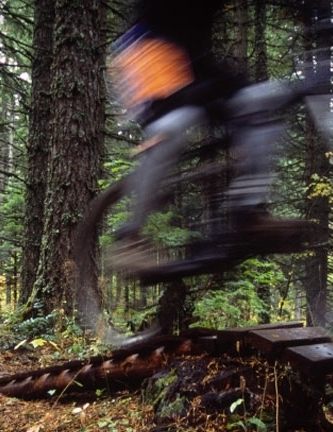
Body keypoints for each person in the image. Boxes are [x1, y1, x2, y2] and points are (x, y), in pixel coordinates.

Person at [108, 0, 309, 273]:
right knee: (174, 126)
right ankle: (128, 240)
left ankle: (249, 215)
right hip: (148, 48)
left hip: (194, 59)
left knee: (259, 105)